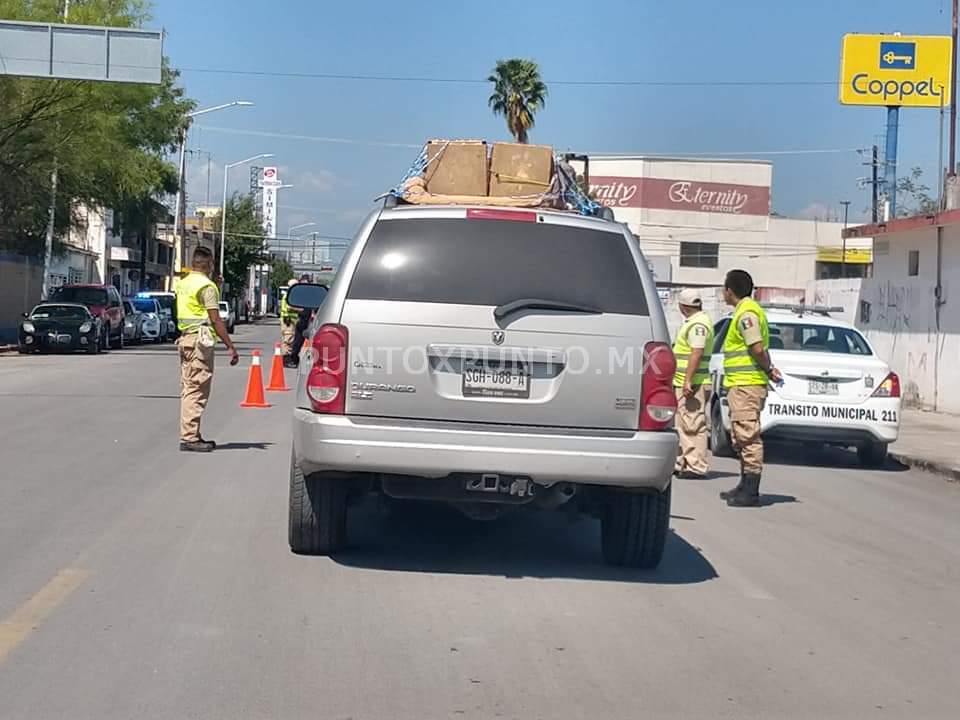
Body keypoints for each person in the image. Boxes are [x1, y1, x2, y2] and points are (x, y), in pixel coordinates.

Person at [718, 269, 782, 506]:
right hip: (741, 384)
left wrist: (768, 369)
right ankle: (744, 484)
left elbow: (756, 347)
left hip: (748, 385)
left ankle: (751, 491)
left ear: (729, 290)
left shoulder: (747, 314)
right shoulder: (743, 312)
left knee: (748, 436)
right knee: (739, 436)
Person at [175, 246, 239, 453]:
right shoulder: (207, 287)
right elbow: (215, 318)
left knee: (189, 387)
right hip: (199, 342)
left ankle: (192, 433)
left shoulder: (183, 283)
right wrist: (230, 345)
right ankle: (190, 437)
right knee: (197, 388)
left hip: (186, 339)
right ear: (209, 264)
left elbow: (193, 307)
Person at [672, 288, 713, 480]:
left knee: (693, 425)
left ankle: (696, 466)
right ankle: (684, 462)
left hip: (693, 384)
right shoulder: (695, 322)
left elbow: (696, 352)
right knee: (683, 423)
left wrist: (688, 380)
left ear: (683, 306)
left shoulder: (698, 325)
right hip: (685, 383)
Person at [284, 275, 315, 368]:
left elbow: (306, 309)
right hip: (296, 321)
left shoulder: (309, 295)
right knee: (296, 342)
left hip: (306, 321)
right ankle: (292, 359)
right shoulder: (294, 295)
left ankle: (296, 358)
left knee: (304, 342)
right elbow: (290, 307)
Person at [279, 278, 299, 356]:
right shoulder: (289, 296)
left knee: (290, 339)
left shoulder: (291, 295)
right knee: (288, 339)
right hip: (288, 321)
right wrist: (300, 310)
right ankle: (287, 357)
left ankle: (288, 356)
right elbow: (289, 308)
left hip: (291, 321)